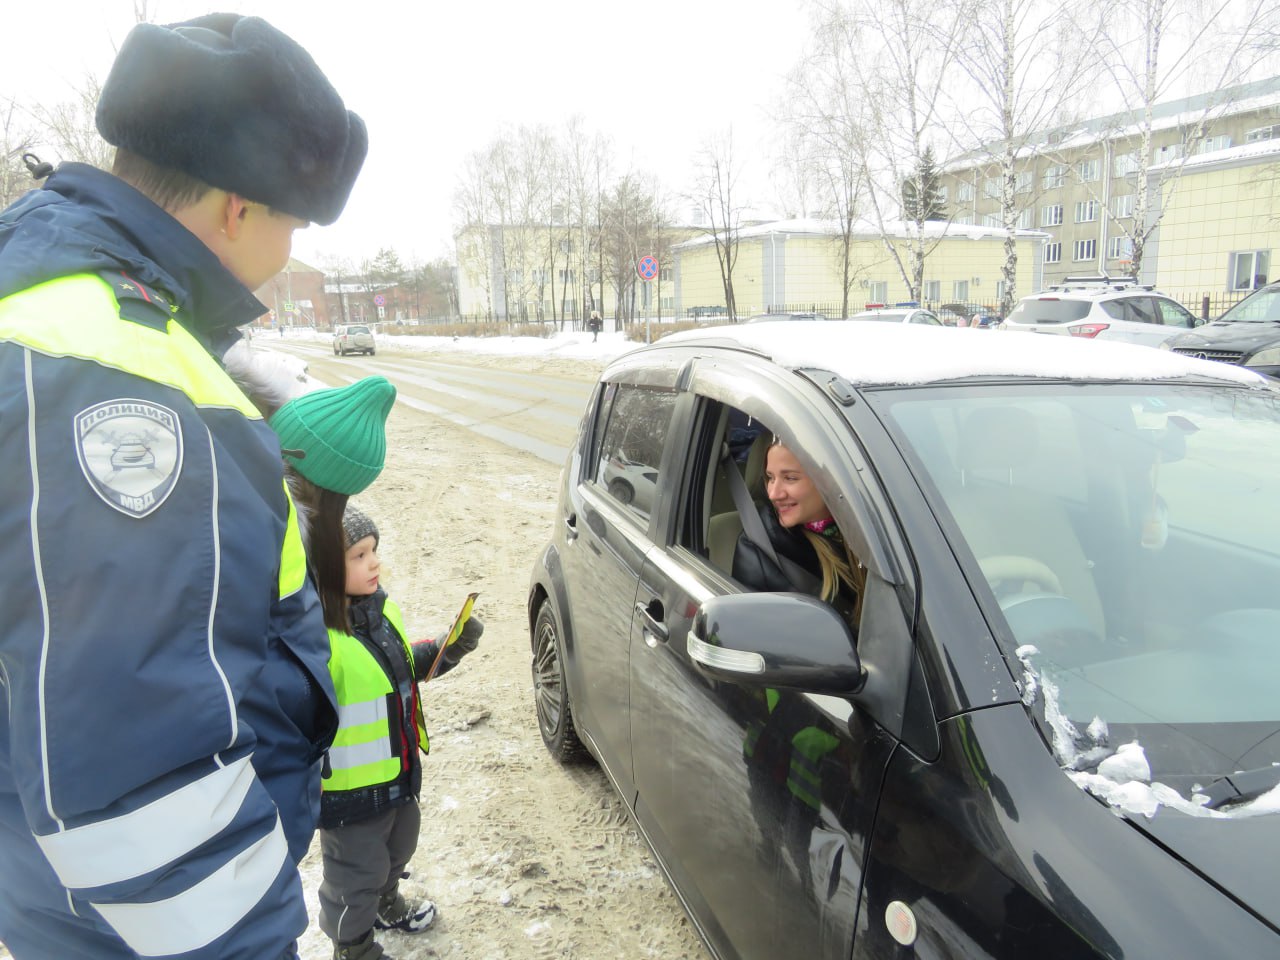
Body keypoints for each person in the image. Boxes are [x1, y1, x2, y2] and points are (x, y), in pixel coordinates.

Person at [0, 13, 366, 960]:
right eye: (293, 222)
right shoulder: (117, 377)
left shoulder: (46, 300)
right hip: (136, 931)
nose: (286, 257)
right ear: (239, 207)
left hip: (62, 896)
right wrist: (249, 943)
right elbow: (136, 770)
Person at [313, 504, 484, 960]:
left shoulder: (381, 612)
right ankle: (353, 947)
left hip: (399, 774)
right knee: (354, 878)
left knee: (398, 848)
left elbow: (401, 665)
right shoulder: (318, 639)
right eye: (358, 555)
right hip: (350, 794)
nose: (373, 563)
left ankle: (386, 904)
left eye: (374, 551)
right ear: (325, 565)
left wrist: (450, 647)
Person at [732, 437, 865, 621]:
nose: (773, 494)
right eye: (770, 478)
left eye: (790, 478)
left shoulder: (870, 529)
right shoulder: (759, 550)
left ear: (827, 479)